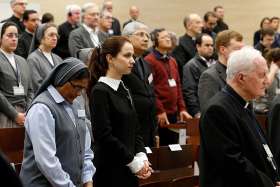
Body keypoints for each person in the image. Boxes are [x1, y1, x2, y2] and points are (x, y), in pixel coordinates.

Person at [200, 47, 280, 187]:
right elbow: (232, 163)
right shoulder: (218, 110)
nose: (267, 81)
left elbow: (260, 151)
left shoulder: (244, 104)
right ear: (241, 77)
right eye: (262, 75)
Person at [87, 36, 152, 187]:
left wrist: (141, 155)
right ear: (110, 58)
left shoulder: (124, 88)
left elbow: (135, 128)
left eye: (133, 56)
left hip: (128, 168)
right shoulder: (100, 91)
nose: (133, 61)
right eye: (127, 55)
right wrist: (132, 161)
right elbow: (104, 135)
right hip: (110, 170)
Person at [20, 58, 95, 187]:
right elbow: (46, 160)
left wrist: (87, 179)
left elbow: (85, 149)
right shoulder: (42, 108)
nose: (78, 94)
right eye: (77, 87)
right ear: (62, 79)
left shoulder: (76, 105)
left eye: (83, 89)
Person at [145, 28, 192, 145]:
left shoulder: (172, 61)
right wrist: (159, 110)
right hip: (160, 114)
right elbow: (150, 89)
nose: (168, 39)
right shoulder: (149, 61)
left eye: (168, 37)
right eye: (163, 37)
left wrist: (182, 108)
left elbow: (178, 86)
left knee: (174, 146)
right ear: (155, 41)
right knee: (162, 148)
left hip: (173, 113)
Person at [122, 21, 157, 147]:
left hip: (148, 129)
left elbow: (151, 95)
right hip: (130, 130)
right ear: (126, 38)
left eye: (147, 36)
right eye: (141, 34)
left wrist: (155, 131)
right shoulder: (121, 64)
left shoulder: (146, 64)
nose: (146, 39)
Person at [198, 30, 244, 110]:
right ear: (223, 50)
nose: (241, 54)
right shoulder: (209, 76)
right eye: (237, 49)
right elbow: (210, 111)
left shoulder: (241, 72)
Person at [0, 22, 33, 128]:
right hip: (5, 113)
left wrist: (29, 111)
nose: (14, 39)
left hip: (26, 115)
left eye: (16, 36)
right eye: (10, 35)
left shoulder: (22, 61)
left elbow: (30, 90)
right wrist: (14, 115)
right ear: (0, 38)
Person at [182, 33, 214, 118]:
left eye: (212, 45)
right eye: (207, 45)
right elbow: (189, 92)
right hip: (201, 111)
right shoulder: (190, 66)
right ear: (198, 47)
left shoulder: (214, 63)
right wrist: (196, 112)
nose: (210, 48)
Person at [27, 23, 63, 93]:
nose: (55, 38)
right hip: (44, 99)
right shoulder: (33, 59)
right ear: (40, 38)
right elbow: (37, 85)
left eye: (56, 35)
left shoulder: (58, 58)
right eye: (51, 35)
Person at [172, 13, 203, 80]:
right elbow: (181, 68)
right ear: (189, 26)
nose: (201, 25)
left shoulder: (202, 41)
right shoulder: (180, 43)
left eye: (201, 23)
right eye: (198, 23)